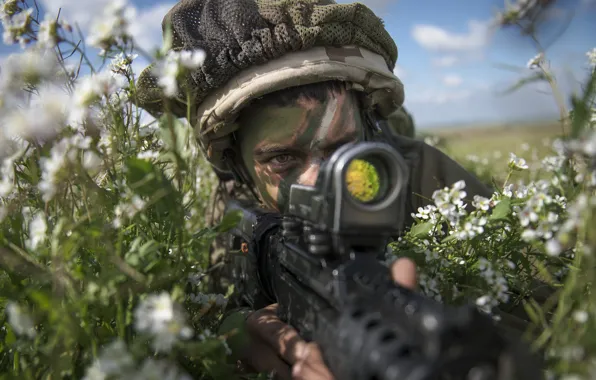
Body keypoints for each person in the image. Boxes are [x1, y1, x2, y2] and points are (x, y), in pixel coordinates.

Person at [135, 1, 511, 379]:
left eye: (343, 149)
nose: (318, 181)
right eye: (282, 158)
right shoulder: (237, 200)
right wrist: (235, 330)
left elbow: (538, 301)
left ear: (368, 128)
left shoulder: (417, 173)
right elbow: (218, 290)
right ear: (235, 162)